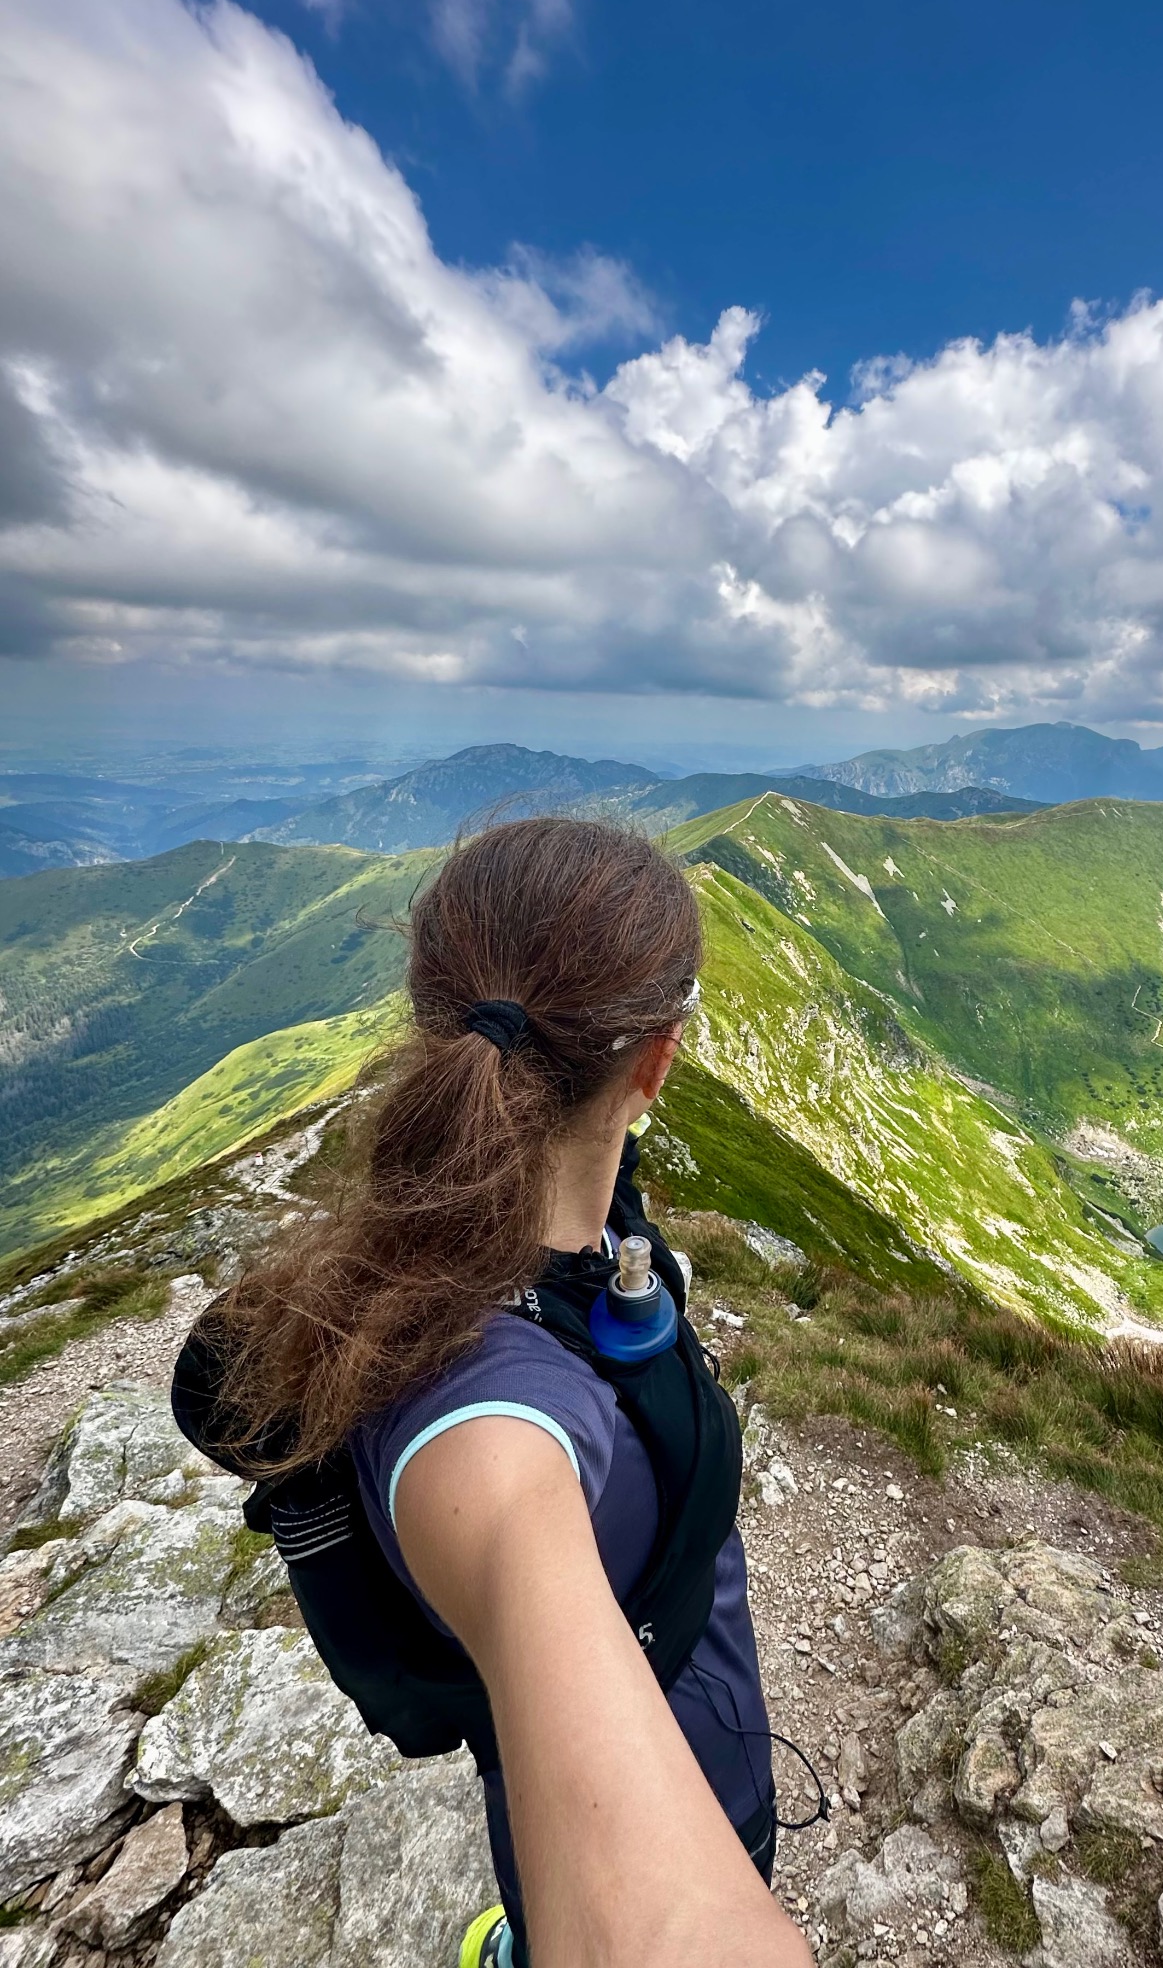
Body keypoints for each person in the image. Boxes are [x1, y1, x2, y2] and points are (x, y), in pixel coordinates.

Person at [204, 819, 812, 1968]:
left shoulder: (478, 1236)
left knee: (538, 1880)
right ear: (656, 1064)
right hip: (700, 1784)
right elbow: (667, 1935)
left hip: (535, 1781)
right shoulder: (489, 1432)